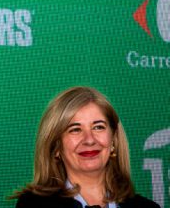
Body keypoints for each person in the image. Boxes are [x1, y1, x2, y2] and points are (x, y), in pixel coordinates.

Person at [12, 86, 160, 208]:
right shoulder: (34, 204)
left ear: (114, 140)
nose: (89, 140)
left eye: (98, 127)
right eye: (75, 129)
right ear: (56, 146)